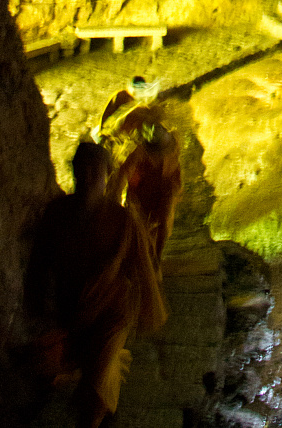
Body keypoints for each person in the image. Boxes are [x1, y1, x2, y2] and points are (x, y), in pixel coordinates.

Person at [27, 142, 167, 428]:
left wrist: (149, 305)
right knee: (81, 367)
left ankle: (93, 416)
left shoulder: (122, 220)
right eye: (82, 169)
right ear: (74, 172)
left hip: (112, 313)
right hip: (73, 308)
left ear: (107, 174)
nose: (89, 176)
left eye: (96, 170)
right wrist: (37, 298)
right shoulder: (57, 213)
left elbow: (141, 267)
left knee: (97, 378)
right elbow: (39, 259)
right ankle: (105, 410)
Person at [119, 123, 183, 265]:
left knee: (162, 225)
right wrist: (122, 193)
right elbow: (126, 172)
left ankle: (156, 258)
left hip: (162, 198)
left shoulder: (171, 154)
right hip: (142, 198)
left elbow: (175, 177)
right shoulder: (141, 153)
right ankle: (139, 259)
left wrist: (172, 191)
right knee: (139, 229)